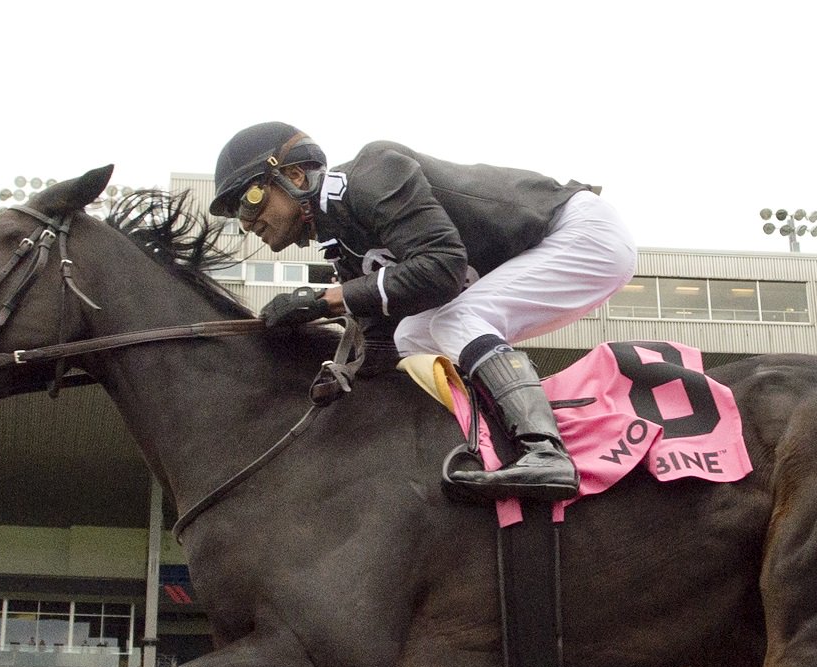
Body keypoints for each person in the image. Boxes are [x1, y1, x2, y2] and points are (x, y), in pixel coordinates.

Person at [207, 122, 637, 501]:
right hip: (559, 247)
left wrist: (325, 300)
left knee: (449, 320)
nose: (247, 222)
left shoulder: (372, 171)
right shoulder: (344, 240)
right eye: (236, 216)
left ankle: (544, 450)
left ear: (294, 175)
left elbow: (442, 267)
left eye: (249, 200)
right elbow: (379, 346)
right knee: (411, 335)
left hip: (581, 234)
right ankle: (487, 444)